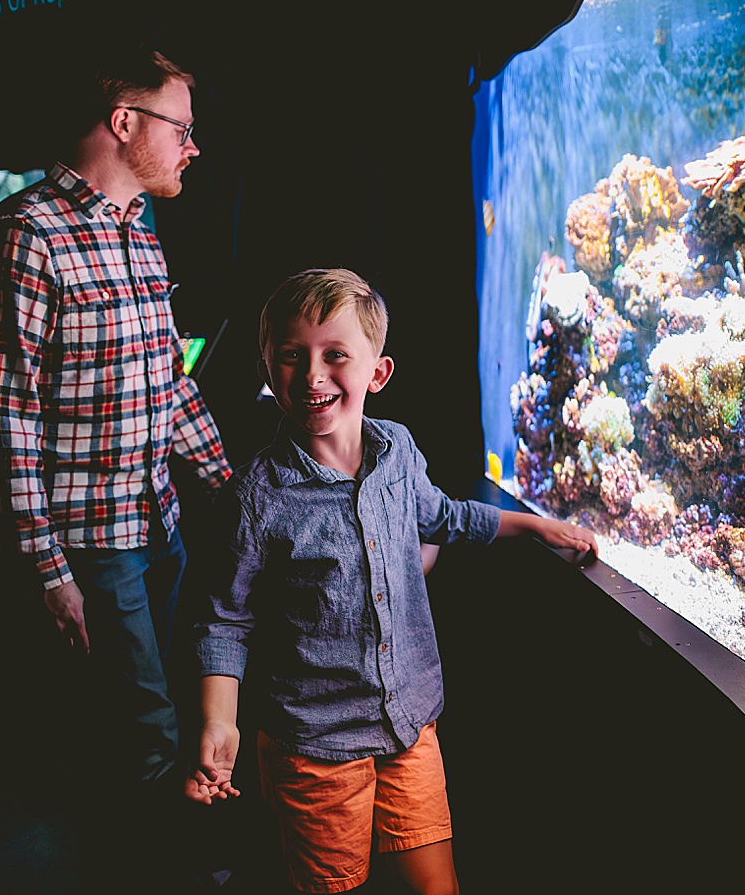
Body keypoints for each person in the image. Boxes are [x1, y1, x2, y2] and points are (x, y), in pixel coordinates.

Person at [183, 268, 598, 895]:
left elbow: (445, 517)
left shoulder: (398, 451)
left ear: (377, 373)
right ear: (268, 371)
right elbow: (225, 619)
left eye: (335, 356)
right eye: (292, 357)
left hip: (409, 727)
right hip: (314, 747)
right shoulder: (254, 498)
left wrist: (538, 527)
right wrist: (221, 721)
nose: (313, 375)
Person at [0, 42, 231, 793]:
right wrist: (49, 572)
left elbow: (166, 384)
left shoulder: (139, 229)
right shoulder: (24, 236)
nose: (192, 144)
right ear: (124, 122)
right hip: (90, 548)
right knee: (145, 739)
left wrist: (226, 485)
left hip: (159, 524)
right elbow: (4, 424)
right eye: (181, 127)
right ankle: (158, 861)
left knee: (163, 711)